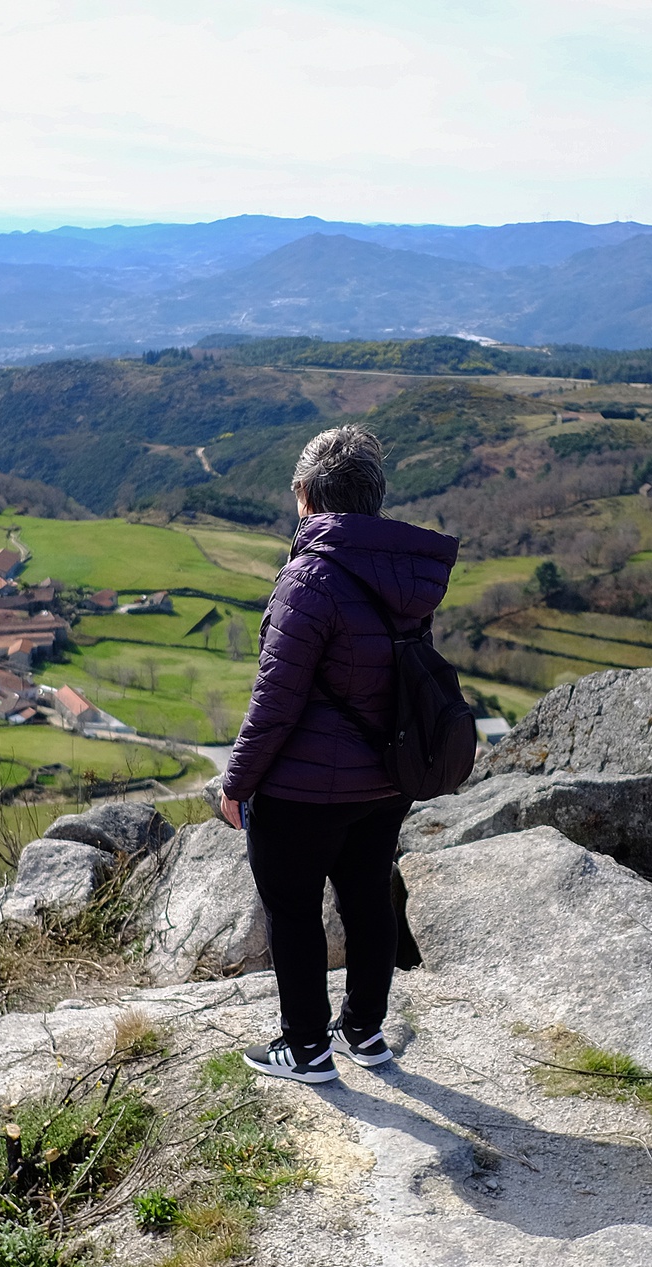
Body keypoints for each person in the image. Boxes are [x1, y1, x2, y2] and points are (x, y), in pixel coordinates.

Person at [218, 425, 458, 1083]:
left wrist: (237, 782)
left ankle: (305, 1048)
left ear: (309, 499)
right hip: (385, 778)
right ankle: (364, 1031)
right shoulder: (409, 574)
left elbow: (276, 699)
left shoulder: (310, 578)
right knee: (367, 899)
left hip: (303, 792)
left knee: (293, 909)